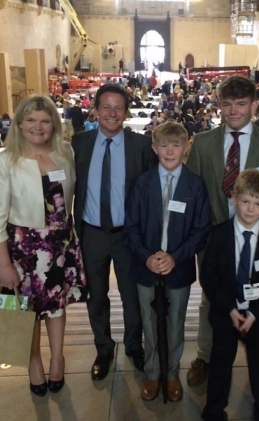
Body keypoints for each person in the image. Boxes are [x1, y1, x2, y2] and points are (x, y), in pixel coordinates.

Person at [186, 75, 259, 387]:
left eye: (241, 104)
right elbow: (193, 193)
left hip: (257, 240)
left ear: (255, 105)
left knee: (257, 298)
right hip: (216, 239)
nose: (232, 111)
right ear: (219, 104)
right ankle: (206, 355)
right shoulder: (203, 144)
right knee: (212, 298)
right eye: (226, 104)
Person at [0, 95, 87, 397]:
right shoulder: (6, 160)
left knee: (56, 305)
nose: (38, 127)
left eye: (45, 120)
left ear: (53, 124)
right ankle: (34, 360)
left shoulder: (64, 153)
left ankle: (58, 358)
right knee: (29, 310)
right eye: (31, 120)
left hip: (60, 243)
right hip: (24, 248)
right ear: (20, 124)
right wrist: (3, 264)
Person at [71, 84, 158, 382]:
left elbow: (152, 191)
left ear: (126, 112)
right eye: (105, 107)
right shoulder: (79, 143)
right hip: (92, 233)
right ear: (95, 109)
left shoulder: (141, 146)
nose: (111, 113)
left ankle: (134, 346)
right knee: (96, 296)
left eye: (118, 108)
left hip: (127, 236)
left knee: (131, 296)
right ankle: (103, 349)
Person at [124, 121, 211, 402]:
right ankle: (152, 372)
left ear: (186, 148)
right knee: (148, 322)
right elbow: (131, 227)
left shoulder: (195, 185)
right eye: (163, 145)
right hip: (145, 264)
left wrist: (175, 257)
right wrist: (147, 256)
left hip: (179, 265)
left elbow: (201, 229)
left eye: (176, 145)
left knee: (176, 321)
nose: (169, 150)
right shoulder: (142, 182)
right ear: (154, 147)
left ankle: (172, 373)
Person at [201, 169, 259, 421]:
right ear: (234, 198)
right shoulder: (219, 234)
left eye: (257, 203)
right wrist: (230, 308)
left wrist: (255, 313)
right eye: (245, 201)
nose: (250, 209)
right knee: (221, 360)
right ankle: (214, 410)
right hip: (226, 311)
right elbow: (208, 277)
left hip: (258, 314)